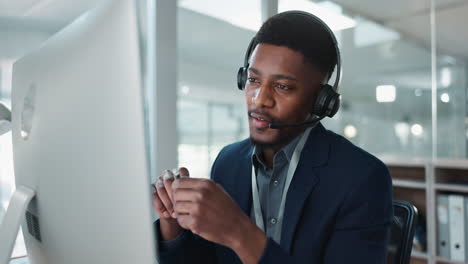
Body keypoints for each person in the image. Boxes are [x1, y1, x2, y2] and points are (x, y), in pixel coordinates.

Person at [152, 11, 393, 264]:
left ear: (322, 101)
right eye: (253, 80)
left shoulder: (361, 178)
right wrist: (173, 225)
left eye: (282, 86)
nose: (259, 99)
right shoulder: (228, 161)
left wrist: (239, 232)